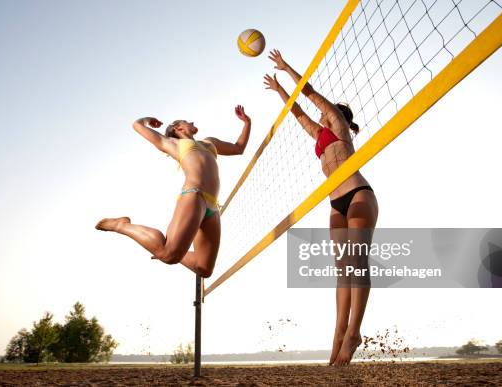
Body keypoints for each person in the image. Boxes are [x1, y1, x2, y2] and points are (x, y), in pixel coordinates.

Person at [264, 50, 378, 366]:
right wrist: (279, 92)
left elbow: (310, 95)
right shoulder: (320, 135)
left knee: (356, 262)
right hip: (335, 205)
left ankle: (354, 333)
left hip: (357, 194)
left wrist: (287, 68)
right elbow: (298, 112)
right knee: (342, 273)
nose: (321, 116)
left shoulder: (339, 125)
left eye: (325, 113)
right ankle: (338, 339)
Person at [96, 106, 251, 278]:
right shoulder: (174, 144)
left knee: (204, 268)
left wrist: (247, 122)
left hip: (212, 207)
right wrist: (149, 120)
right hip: (194, 195)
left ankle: (168, 248)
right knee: (169, 255)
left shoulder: (209, 142)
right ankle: (122, 225)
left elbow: (238, 148)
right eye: (187, 121)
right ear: (178, 128)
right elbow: (137, 125)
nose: (191, 122)